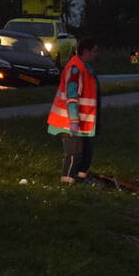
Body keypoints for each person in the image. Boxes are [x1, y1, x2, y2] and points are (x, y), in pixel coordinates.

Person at [46, 38, 100, 184]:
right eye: (95, 51)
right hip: (69, 120)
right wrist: (74, 120)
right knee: (74, 152)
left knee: (86, 152)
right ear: (86, 52)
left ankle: (80, 179)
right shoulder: (75, 68)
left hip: (82, 120)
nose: (97, 54)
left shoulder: (84, 67)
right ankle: (67, 181)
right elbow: (72, 96)